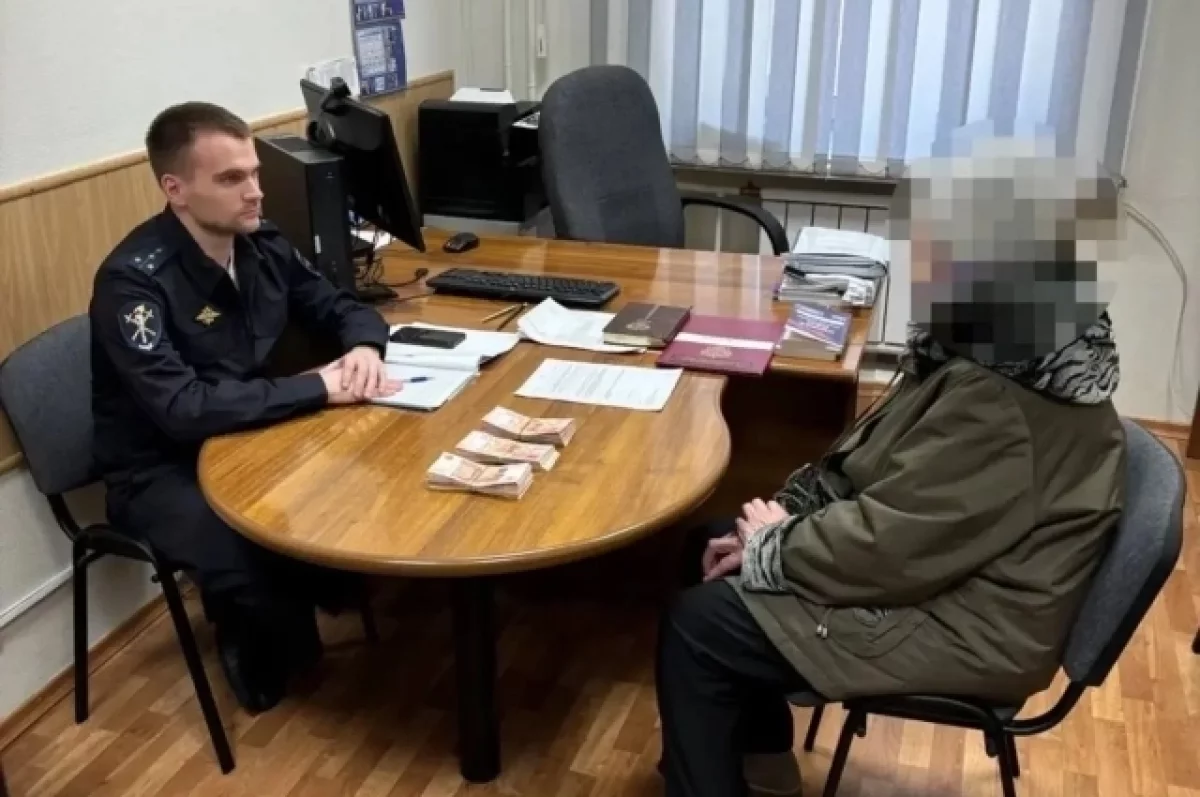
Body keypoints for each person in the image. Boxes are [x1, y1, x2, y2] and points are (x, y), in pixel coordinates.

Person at [655, 140, 1127, 797]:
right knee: (708, 543)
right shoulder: (1013, 348)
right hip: (955, 575)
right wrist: (790, 515)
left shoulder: (1004, 401)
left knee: (700, 628)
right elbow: (885, 475)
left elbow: (893, 545)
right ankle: (763, 763)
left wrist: (776, 545)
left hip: (969, 623)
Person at [89, 102, 400, 713]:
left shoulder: (259, 242)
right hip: (160, 465)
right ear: (175, 190)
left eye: (254, 172)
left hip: (245, 429)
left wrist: (365, 347)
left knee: (351, 493)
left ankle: (305, 595)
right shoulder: (134, 283)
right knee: (249, 560)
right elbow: (182, 408)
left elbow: (339, 305)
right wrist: (319, 387)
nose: (255, 191)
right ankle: (247, 627)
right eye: (231, 178)